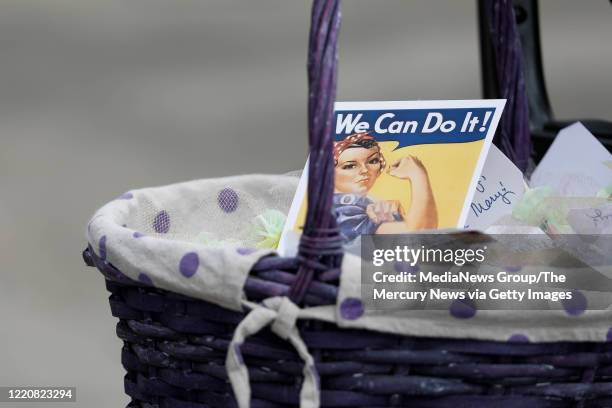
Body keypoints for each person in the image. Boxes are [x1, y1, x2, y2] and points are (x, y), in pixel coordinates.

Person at [333, 132, 438, 243]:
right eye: (350, 166)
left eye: (372, 161)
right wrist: (418, 175)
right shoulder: (345, 211)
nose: (365, 170)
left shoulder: (367, 205)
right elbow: (420, 234)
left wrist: (396, 215)